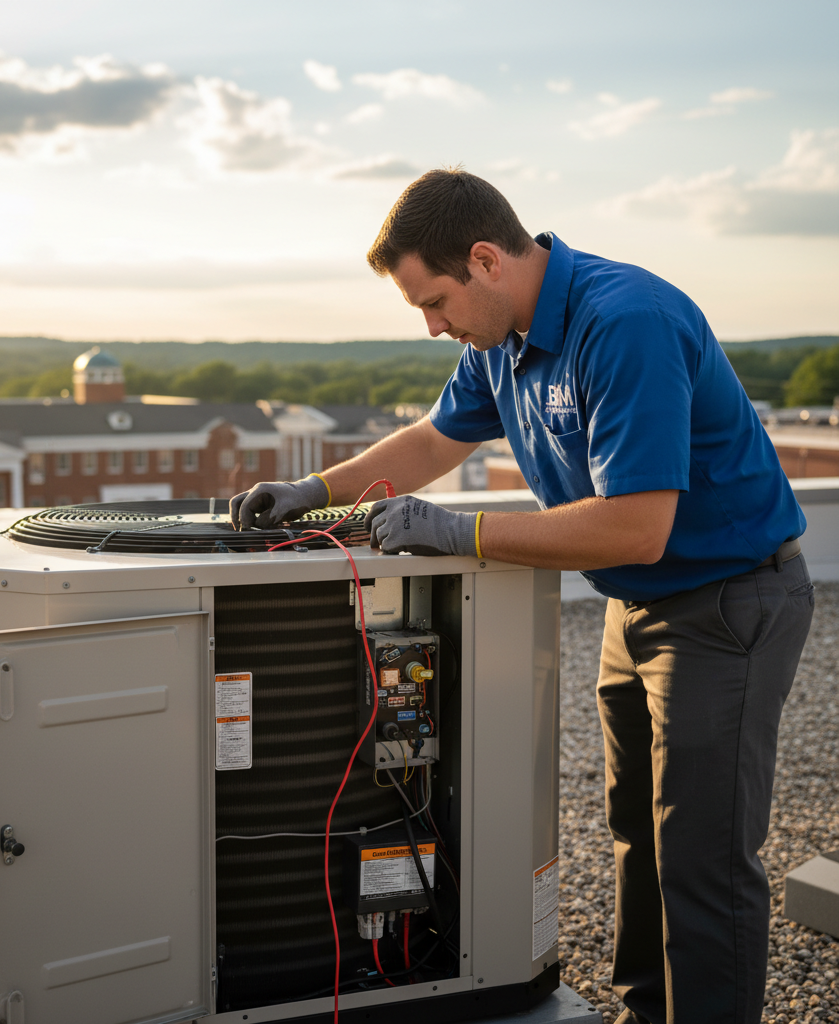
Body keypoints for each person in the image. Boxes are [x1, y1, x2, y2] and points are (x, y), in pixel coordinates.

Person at [230, 168, 813, 1024]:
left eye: (434, 302)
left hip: (727, 605)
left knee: (703, 858)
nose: (433, 327)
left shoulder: (625, 323)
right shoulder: (497, 342)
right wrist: (315, 488)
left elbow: (635, 527)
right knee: (639, 844)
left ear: (484, 260)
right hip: (639, 608)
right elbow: (433, 439)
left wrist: (458, 532)